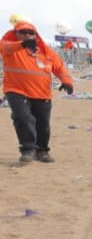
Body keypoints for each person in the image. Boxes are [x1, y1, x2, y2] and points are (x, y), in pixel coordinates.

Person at [2, 21, 74, 164]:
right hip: (16, 90)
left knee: (43, 124)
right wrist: (22, 44)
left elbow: (59, 67)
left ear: (36, 35)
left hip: (42, 93)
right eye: (22, 32)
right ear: (15, 34)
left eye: (30, 33)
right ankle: (28, 149)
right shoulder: (9, 47)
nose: (27, 35)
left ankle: (42, 151)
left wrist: (66, 81)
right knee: (22, 118)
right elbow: (5, 47)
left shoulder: (45, 52)